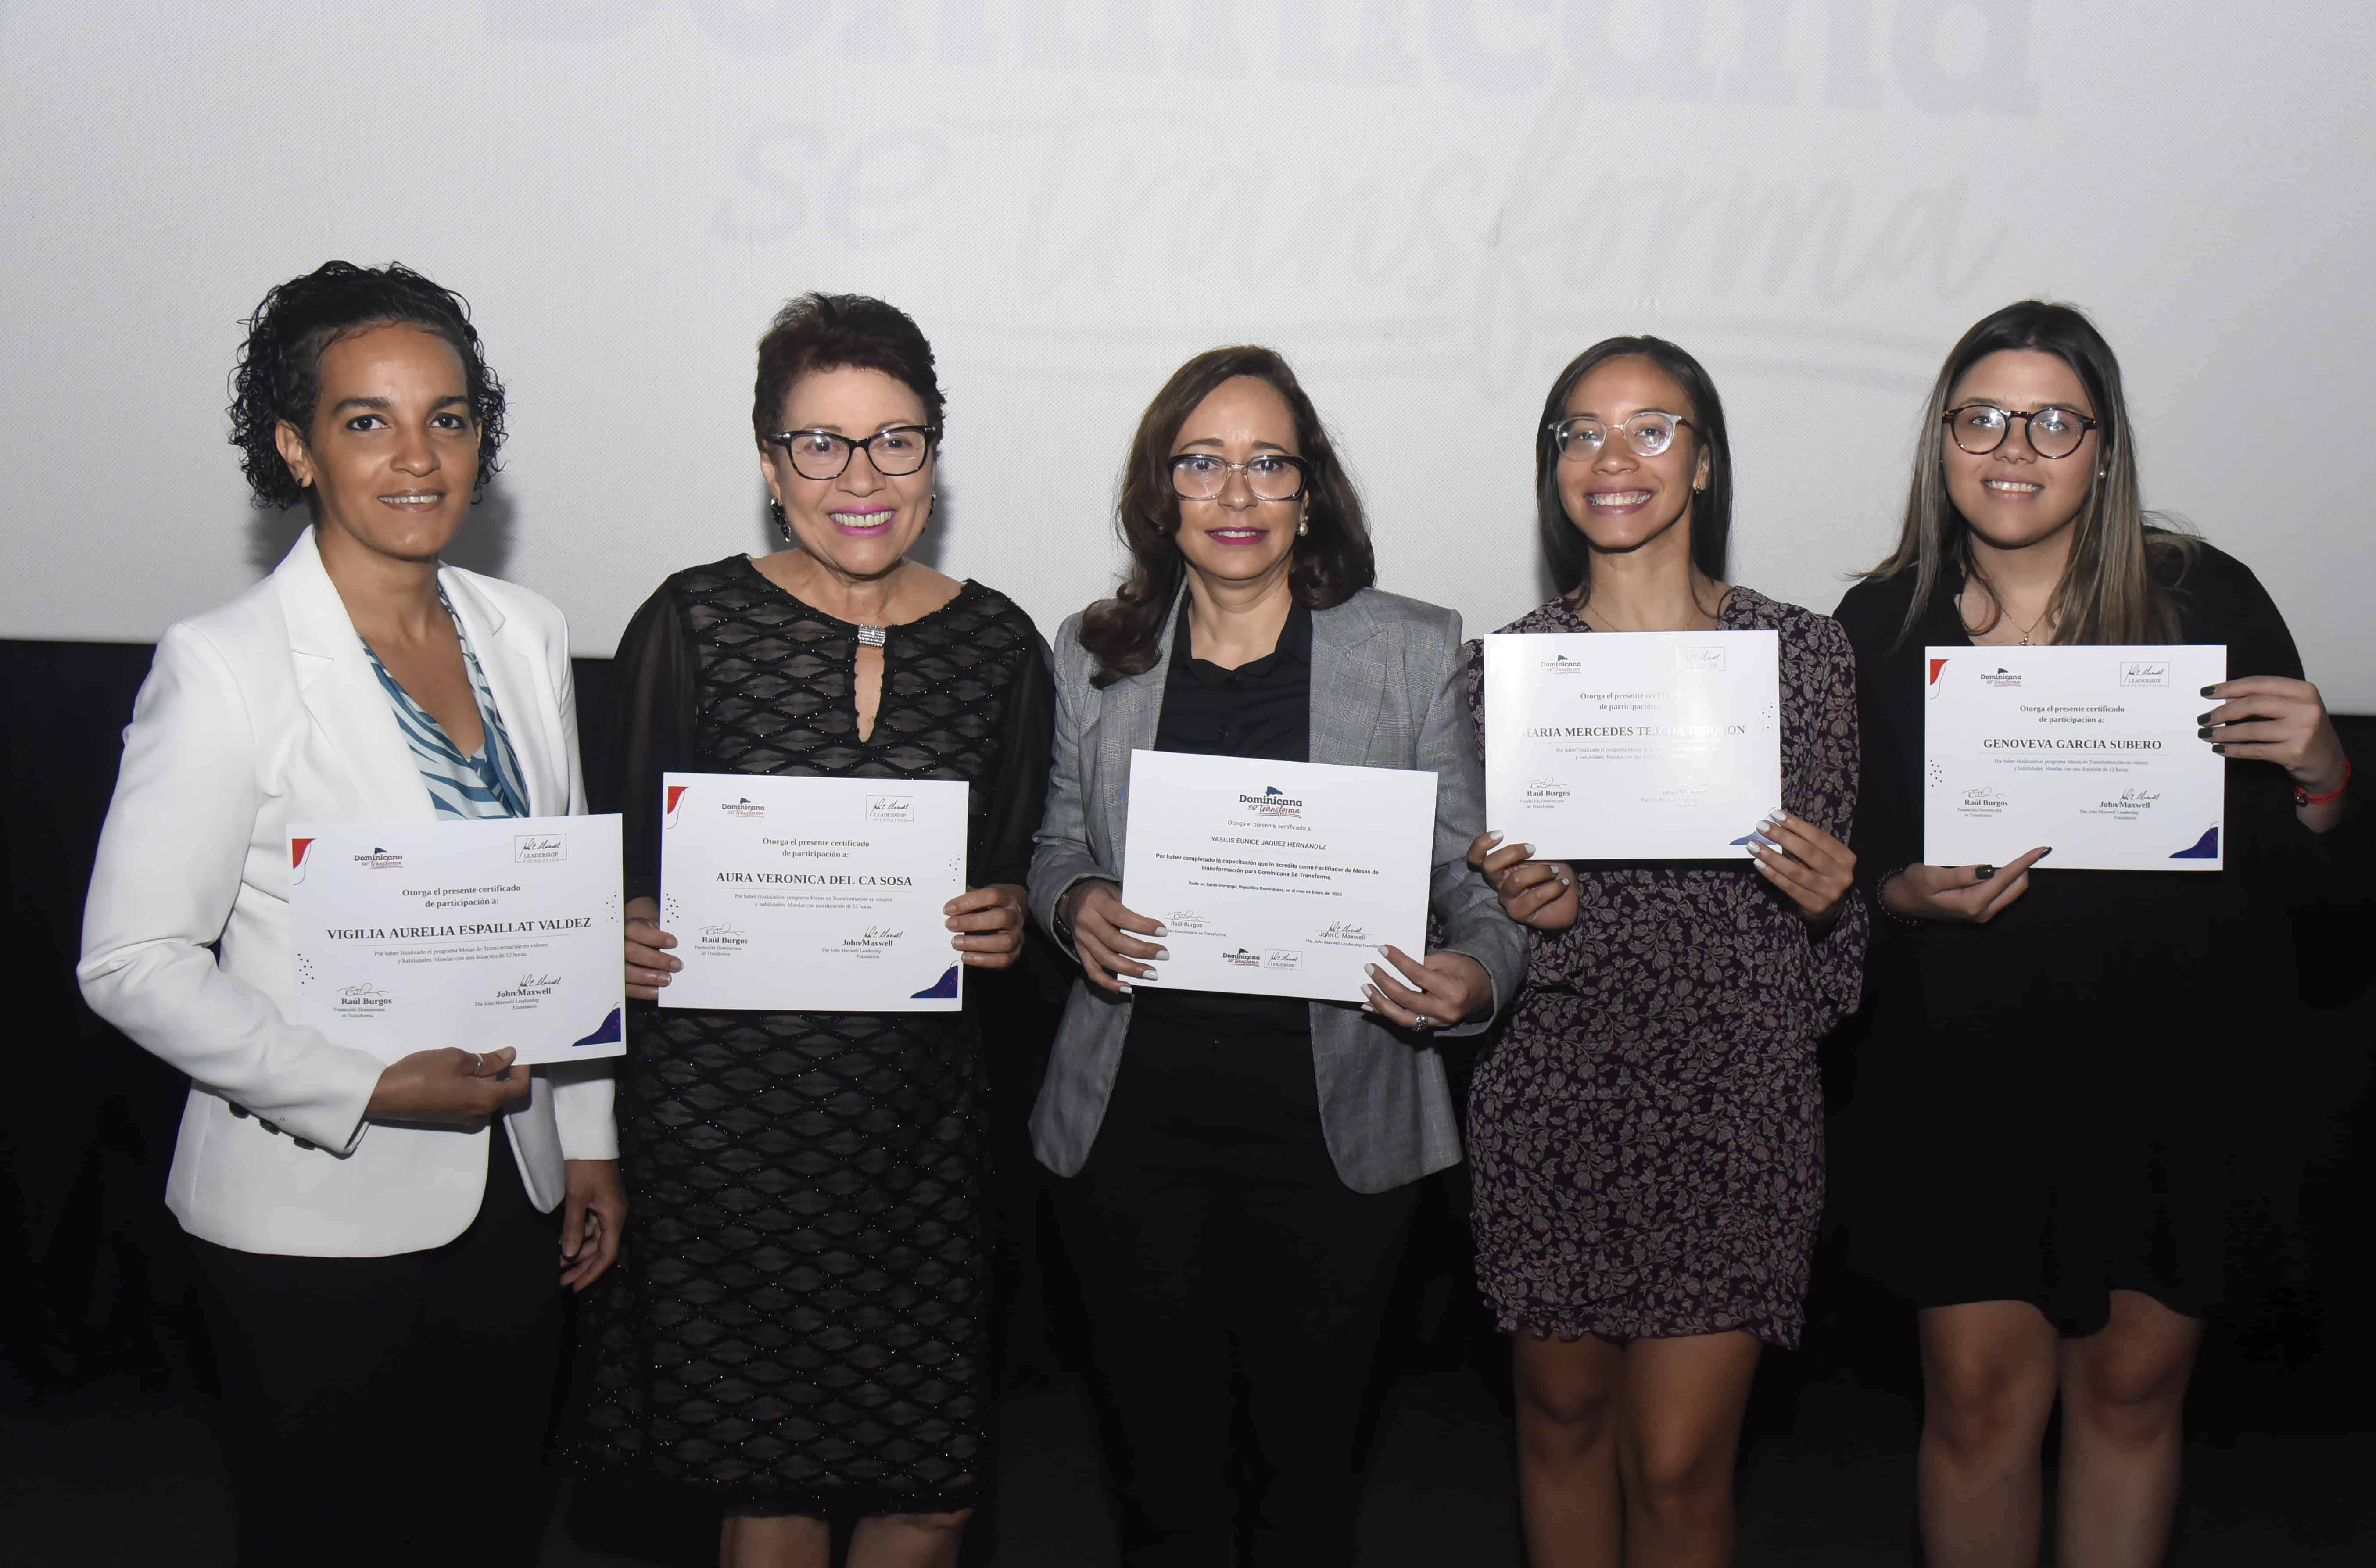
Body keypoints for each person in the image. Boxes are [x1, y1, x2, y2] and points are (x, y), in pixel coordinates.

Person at [77, 261, 622, 1567]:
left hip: (511, 1180)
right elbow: (131, 960)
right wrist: (364, 1084)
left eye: (449, 417)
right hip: (308, 1209)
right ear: (295, 446)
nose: (418, 457)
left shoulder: (526, 630)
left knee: (484, 1530)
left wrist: (592, 1134)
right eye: (367, 421)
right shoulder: (227, 666)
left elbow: (561, 903)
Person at [1835, 300, 2356, 1568]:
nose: (2015, 446)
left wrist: (2328, 773)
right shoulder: (1877, 627)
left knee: (2130, 1399)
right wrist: (1903, 896)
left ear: (2106, 450)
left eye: (2055, 420)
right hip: (1966, 1076)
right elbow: (1846, 880)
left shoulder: (2205, 596)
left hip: (2175, 1072)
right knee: (1975, 1405)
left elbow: (2305, 881)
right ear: (1942, 441)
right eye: (1983, 418)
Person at [1028, 344, 1528, 1567]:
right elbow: (1052, 843)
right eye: (1204, 464)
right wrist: (1077, 899)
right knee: (1162, 1484)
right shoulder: (1094, 651)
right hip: (1132, 1130)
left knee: (1307, 1482)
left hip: (1337, 1129)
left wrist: (1479, 975)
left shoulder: (1412, 648)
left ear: (1311, 491)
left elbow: (1481, 881)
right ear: (1164, 490)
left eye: (1269, 465)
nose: (1238, 496)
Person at [575, 292, 1053, 1568]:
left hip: (918, 1138)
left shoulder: (1001, 644)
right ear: (769, 458)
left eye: (895, 440)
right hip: (730, 1137)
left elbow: (1008, 876)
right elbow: (621, 873)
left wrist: (1006, 921)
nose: (860, 477)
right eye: (821, 443)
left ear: (935, 456)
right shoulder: (692, 622)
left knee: (933, 1487)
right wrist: (615, 933)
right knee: (771, 1481)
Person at [1461, 337, 1867, 1567]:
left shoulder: (1803, 657)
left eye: (1652, 428)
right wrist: (1511, 922)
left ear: (1703, 464)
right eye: (1579, 432)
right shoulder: (1496, 676)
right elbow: (1463, 945)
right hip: (1552, 1092)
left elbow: (1837, 974)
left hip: (1734, 1097)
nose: (1613, 458)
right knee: (1562, 1422)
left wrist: (1830, 901)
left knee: (1682, 1464)